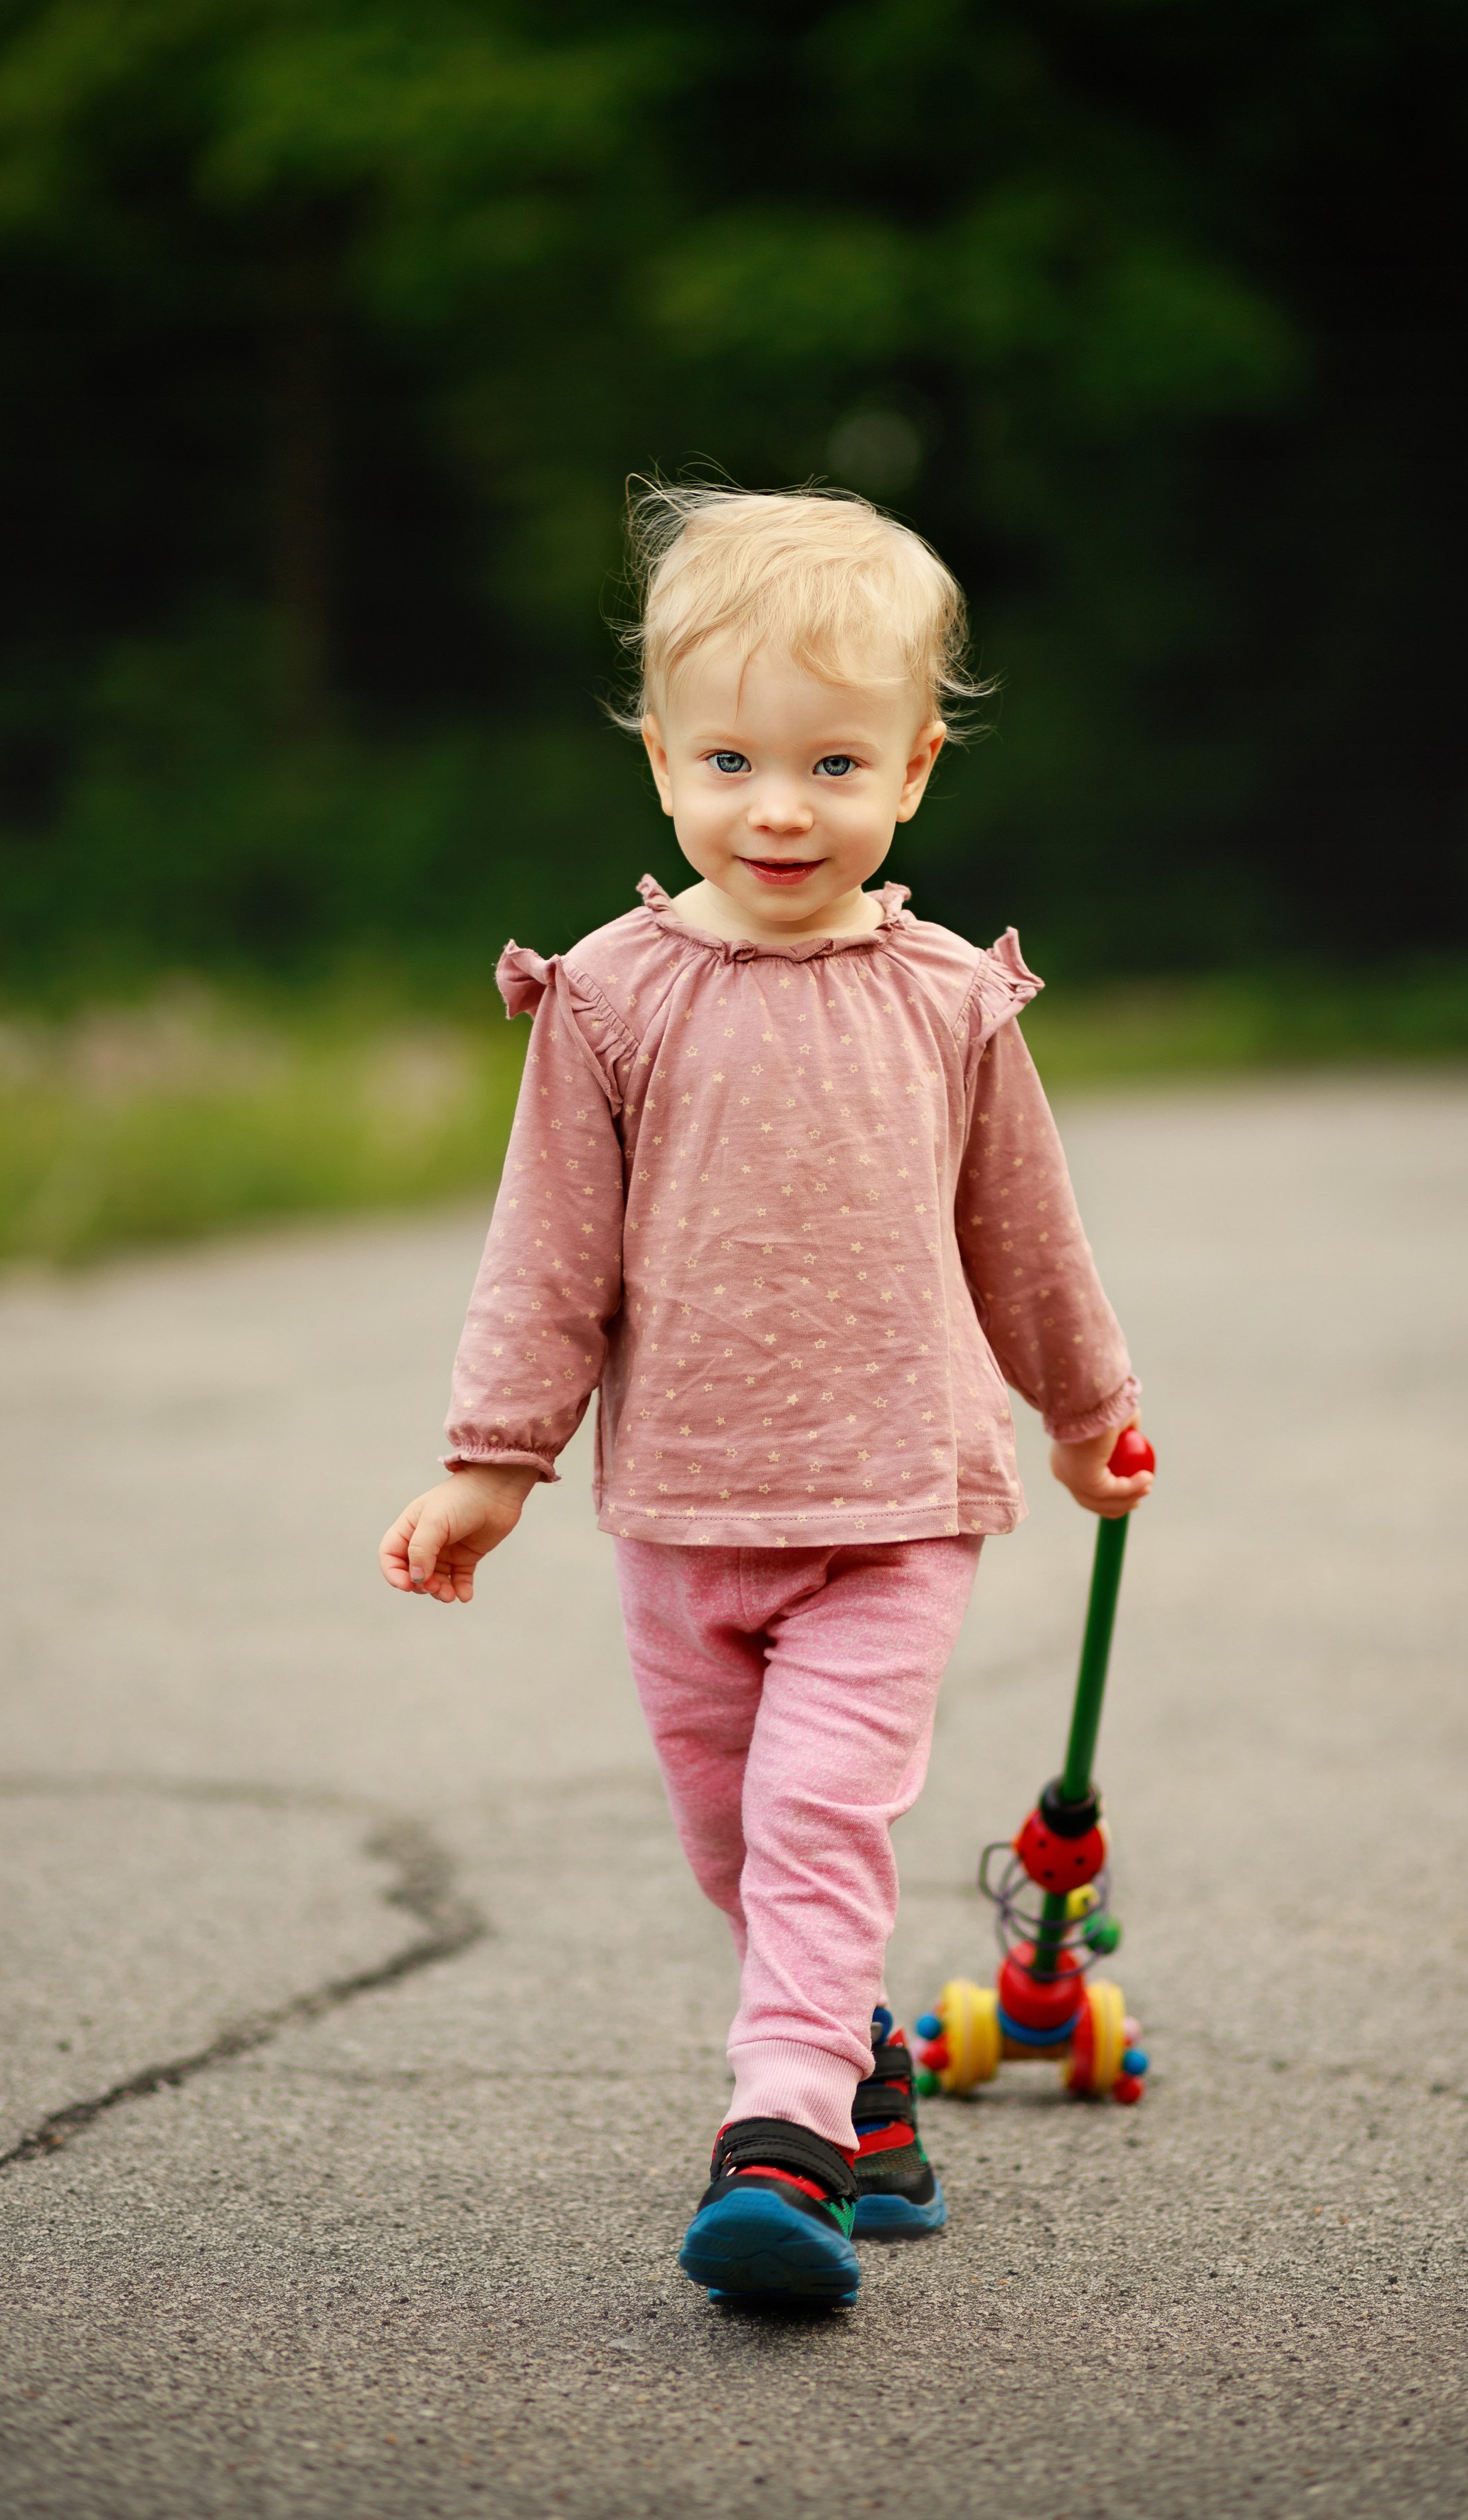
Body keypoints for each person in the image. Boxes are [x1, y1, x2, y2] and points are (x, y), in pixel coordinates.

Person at [378, 482, 1151, 2305]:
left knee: (817, 1821)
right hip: (685, 1514)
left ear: (914, 776)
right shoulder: (608, 1000)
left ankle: (781, 2143)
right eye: (729, 759)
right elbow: (546, 1249)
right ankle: (862, 2064)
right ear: (659, 763)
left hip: (892, 1509)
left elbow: (1021, 1235)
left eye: (831, 763)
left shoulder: (947, 1002)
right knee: (734, 1843)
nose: (779, 808)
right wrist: (493, 1459)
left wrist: (1079, 1404)